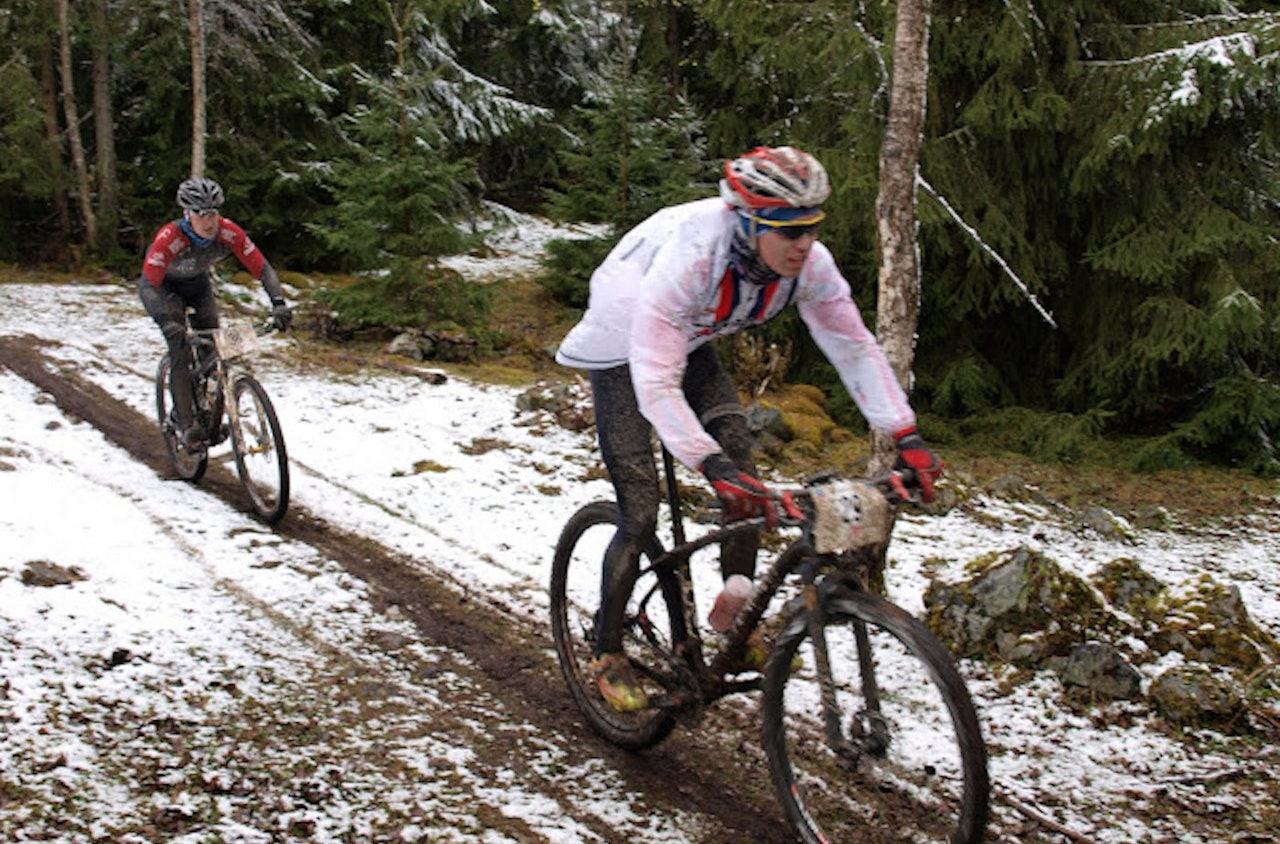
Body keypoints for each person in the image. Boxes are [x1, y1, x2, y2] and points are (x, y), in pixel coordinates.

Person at [555, 145, 943, 713]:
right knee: (639, 508)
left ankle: (736, 607)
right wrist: (704, 463)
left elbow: (854, 346)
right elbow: (656, 382)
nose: (804, 243)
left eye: (811, 227)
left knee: (743, 465)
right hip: (622, 344)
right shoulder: (690, 260)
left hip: (690, 337)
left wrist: (905, 435)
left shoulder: (809, 264)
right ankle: (607, 652)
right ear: (747, 221)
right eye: (788, 229)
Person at [138, 177, 293, 452]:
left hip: (198, 285)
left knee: (215, 347)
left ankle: (209, 409)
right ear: (188, 214)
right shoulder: (170, 238)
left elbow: (261, 266)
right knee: (181, 347)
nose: (209, 221)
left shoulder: (227, 232)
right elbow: (148, 284)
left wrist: (278, 302)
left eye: (213, 213)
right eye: (201, 214)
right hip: (165, 290)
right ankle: (187, 425)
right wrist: (165, 321)